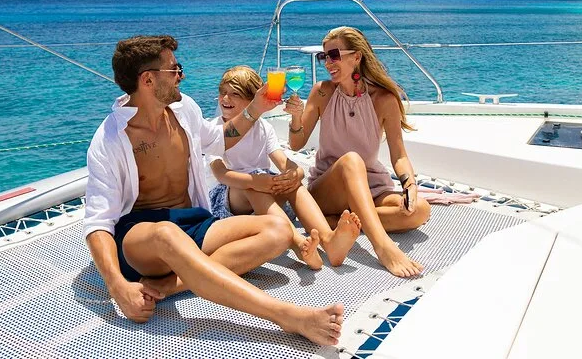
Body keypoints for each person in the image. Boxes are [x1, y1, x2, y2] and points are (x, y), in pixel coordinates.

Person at [84, 35, 343, 346]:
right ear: (148, 80)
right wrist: (117, 287)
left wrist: (255, 109)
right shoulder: (110, 139)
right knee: (166, 233)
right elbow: (98, 223)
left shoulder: (183, 109)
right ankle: (286, 315)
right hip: (142, 238)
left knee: (278, 230)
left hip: (193, 224)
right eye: (174, 69)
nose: (181, 75)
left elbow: (219, 139)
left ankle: (170, 285)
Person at [284, 26, 431, 278]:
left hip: (371, 187)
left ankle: (335, 222)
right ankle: (382, 246)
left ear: (357, 57)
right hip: (328, 189)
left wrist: (409, 184)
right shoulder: (322, 92)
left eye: (334, 55)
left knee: (420, 210)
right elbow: (296, 144)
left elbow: (399, 154)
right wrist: (296, 118)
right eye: (324, 56)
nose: (328, 62)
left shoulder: (384, 100)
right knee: (352, 160)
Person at [208, 66, 362, 270]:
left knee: (293, 184)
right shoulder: (215, 130)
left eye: (235, 94)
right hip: (230, 199)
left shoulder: (264, 128)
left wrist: (295, 174)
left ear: (253, 100)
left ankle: (329, 240)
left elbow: (284, 163)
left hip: (264, 190)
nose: (225, 98)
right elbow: (221, 174)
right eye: (223, 92)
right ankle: (300, 246)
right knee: (253, 186)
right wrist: (256, 182)